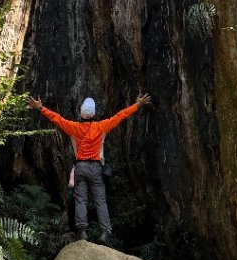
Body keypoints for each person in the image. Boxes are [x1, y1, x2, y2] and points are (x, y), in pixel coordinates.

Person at [29, 92, 152, 244]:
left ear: (81, 113)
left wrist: (41, 107)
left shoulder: (74, 127)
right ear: (94, 114)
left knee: (81, 200)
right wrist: (137, 105)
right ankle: (104, 233)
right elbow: (121, 116)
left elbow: (57, 119)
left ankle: (82, 232)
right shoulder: (101, 127)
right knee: (100, 201)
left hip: (80, 167)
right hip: (96, 168)